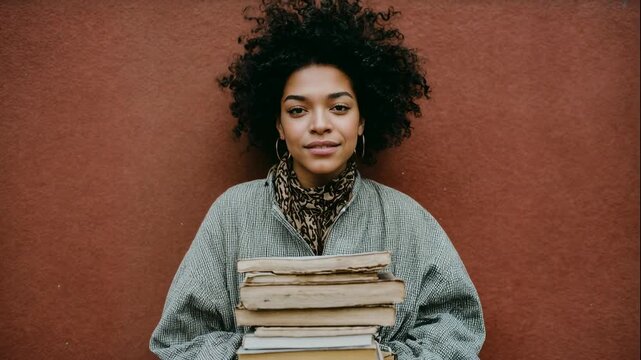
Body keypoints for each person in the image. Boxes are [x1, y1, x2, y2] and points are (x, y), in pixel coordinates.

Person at [149, 0, 485, 359]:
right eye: (298, 109)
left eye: (339, 107)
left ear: (362, 121)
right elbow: (180, 341)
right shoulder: (231, 214)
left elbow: (458, 330)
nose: (320, 123)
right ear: (278, 123)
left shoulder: (407, 220)